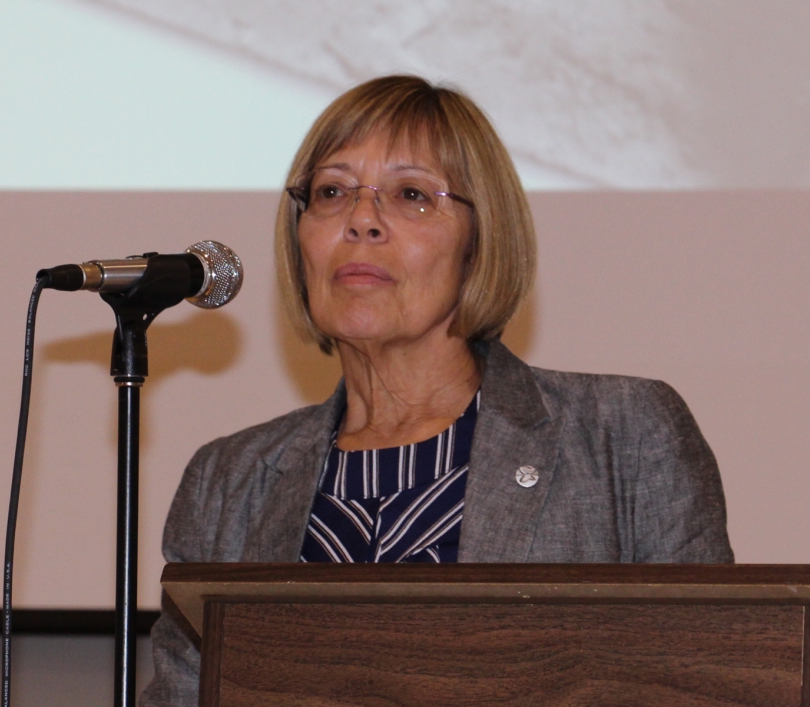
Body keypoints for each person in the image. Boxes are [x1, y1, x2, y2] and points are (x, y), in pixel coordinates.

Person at [139, 75, 732, 706]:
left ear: (480, 242)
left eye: (412, 195)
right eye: (332, 191)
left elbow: (707, 686)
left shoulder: (626, 435)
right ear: (299, 237)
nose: (361, 221)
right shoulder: (229, 482)